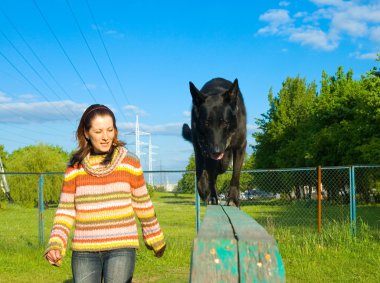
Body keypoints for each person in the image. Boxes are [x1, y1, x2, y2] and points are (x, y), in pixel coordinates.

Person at [44, 104, 166, 283]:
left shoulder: (130, 162)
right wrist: (56, 243)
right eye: (99, 131)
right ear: (86, 133)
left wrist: (154, 236)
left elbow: (142, 203)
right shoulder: (75, 167)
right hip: (84, 249)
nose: (105, 137)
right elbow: (66, 210)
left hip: (121, 246)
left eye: (110, 130)